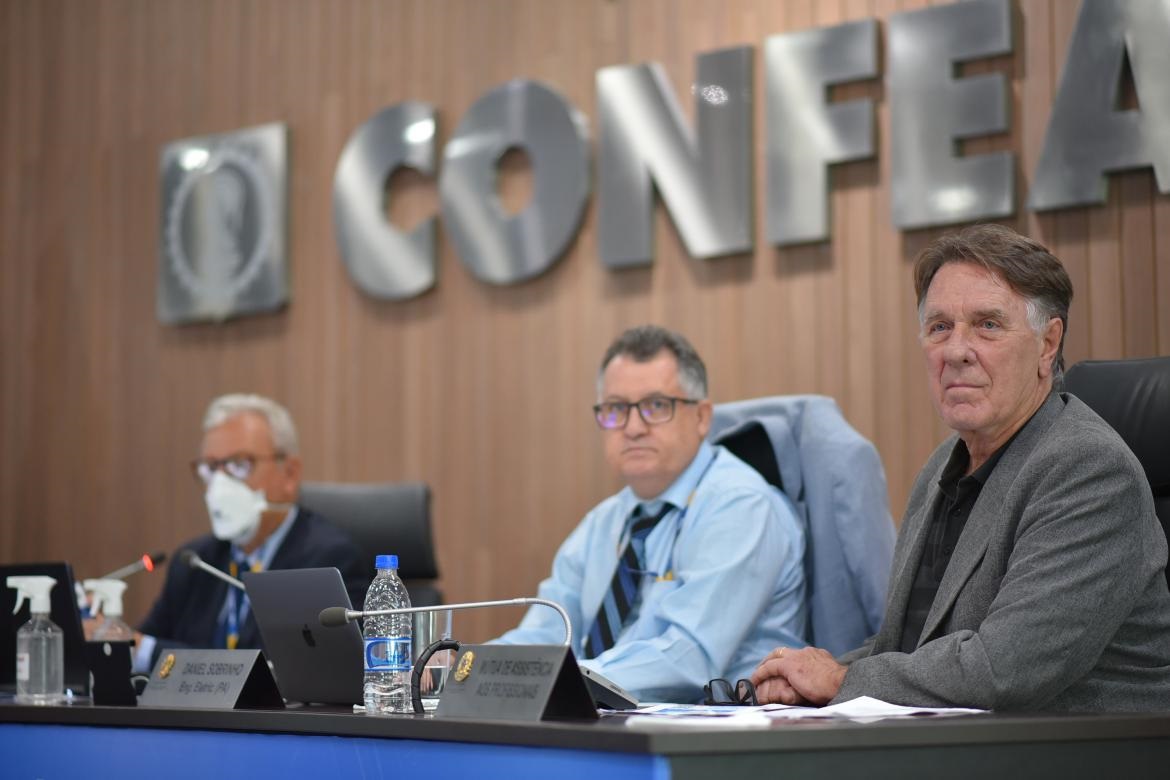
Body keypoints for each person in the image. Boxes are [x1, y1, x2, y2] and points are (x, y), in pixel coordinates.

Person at [751, 224, 1170, 712]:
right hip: (951, 737)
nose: (955, 351)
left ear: (1047, 344)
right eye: (939, 327)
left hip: (1077, 745)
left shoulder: (1089, 470)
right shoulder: (941, 468)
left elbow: (1005, 669)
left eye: (987, 325)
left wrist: (840, 680)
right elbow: (907, 650)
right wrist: (803, 680)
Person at [495, 325, 807, 702]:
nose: (633, 428)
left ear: (702, 417)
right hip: (605, 716)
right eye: (616, 409)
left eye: (656, 406)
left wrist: (561, 680)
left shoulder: (741, 504)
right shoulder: (605, 521)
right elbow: (546, 632)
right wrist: (471, 668)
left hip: (719, 727)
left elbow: (690, 657)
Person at [129, 394, 368, 669]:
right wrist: (112, 639)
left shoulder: (327, 560)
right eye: (211, 468)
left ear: (289, 474)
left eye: (239, 465)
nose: (219, 485)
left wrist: (148, 651)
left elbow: (283, 670)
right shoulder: (195, 561)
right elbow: (141, 645)